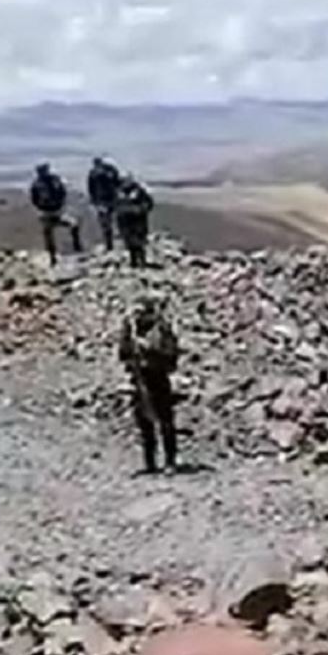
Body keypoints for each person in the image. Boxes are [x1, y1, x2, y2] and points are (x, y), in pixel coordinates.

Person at [118, 297, 181, 474]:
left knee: (165, 421)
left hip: (158, 377)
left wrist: (149, 349)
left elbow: (170, 354)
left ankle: (170, 460)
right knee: (144, 422)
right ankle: (150, 462)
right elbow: (122, 353)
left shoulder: (161, 329)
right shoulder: (131, 329)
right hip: (138, 378)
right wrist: (130, 345)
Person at [29, 163, 83, 266]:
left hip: (51, 211)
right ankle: (55, 255)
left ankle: (54, 255)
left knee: (52, 233)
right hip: (51, 211)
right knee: (67, 227)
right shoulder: (46, 182)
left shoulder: (40, 183)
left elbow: (34, 199)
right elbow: (62, 192)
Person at [115, 175, 156, 269]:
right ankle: (133, 261)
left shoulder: (140, 191)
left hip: (138, 220)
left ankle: (142, 261)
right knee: (129, 242)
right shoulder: (119, 193)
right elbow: (116, 206)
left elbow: (149, 203)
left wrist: (140, 209)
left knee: (139, 242)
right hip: (125, 221)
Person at [87, 157, 123, 252]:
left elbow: (91, 188)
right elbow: (118, 182)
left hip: (103, 200)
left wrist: (94, 200)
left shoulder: (94, 173)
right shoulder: (110, 170)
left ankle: (110, 243)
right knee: (114, 220)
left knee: (106, 222)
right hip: (111, 199)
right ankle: (113, 241)